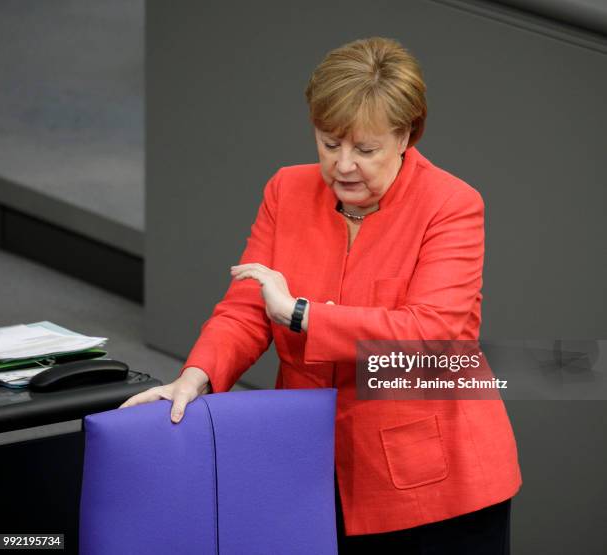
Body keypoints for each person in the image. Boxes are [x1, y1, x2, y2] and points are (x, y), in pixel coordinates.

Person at [120, 37, 522, 553]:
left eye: (365, 149)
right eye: (330, 143)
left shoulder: (451, 205)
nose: (343, 165)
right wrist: (196, 377)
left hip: (433, 478)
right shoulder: (286, 191)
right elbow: (246, 310)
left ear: (405, 136)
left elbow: (429, 333)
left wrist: (301, 314)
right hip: (309, 457)